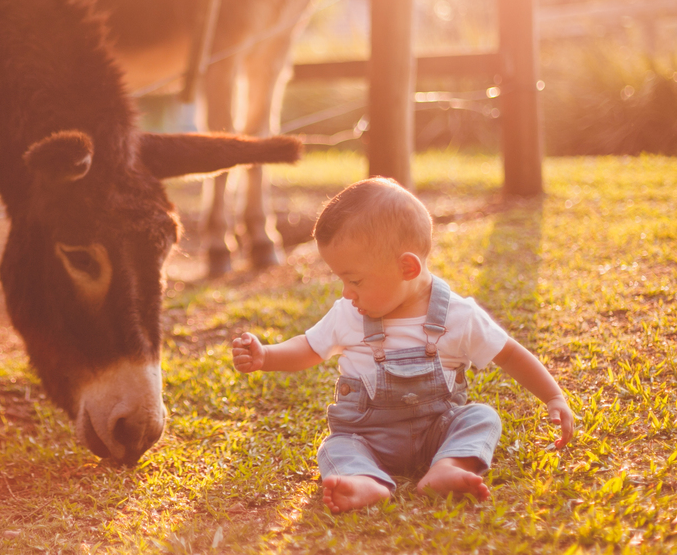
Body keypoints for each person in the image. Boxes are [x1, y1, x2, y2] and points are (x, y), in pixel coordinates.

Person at [231, 177, 574, 513]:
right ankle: (366, 480)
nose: (346, 293)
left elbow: (510, 353)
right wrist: (267, 355)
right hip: (366, 439)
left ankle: (448, 465)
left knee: (481, 417)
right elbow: (308, 348)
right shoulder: (349, 314)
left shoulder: (459, 315)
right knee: (335, 447)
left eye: (354, 280)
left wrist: (553, 395)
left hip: (437, 432)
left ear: (407, 267)